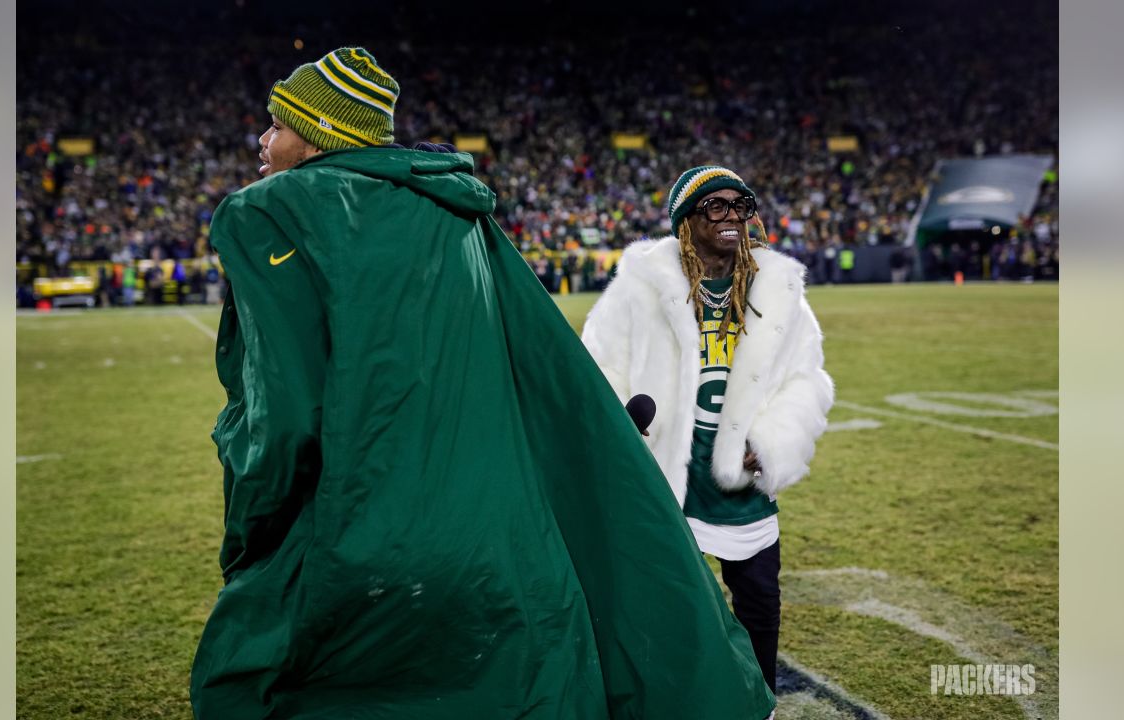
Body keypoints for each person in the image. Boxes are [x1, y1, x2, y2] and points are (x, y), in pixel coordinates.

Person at [190, 49, 776, 720]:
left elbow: (283, 418)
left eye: (278, 123)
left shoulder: (268, 211)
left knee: (251, 681)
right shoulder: (457, 210)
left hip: (360, 532)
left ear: (321, 130)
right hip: (502, 538)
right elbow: (542, 363)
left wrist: (250, 530)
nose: (264, 141)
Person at [582, 165, 835, 695]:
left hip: (740, 481)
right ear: (685, 222)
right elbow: (599, 366)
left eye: (739, 204)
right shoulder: (641, 290)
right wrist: (622, 419)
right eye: (714, 206)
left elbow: (806, 380)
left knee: (761, 603)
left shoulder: (778, 291)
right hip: (668, 472)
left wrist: (771, 440)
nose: (731, 216)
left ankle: (759, 699)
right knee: (665, 606)